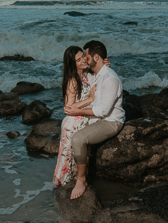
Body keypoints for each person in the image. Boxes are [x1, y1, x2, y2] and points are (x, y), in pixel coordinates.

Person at [63, 40, 125, 199]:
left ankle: (81, 180)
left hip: (110, 121)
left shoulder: (110, 78)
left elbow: (103, 111)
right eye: (82, 57)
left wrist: (78, 109)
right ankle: (70, 171)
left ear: (96, 57)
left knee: (78, 139)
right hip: (96, 118)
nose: (85, 59)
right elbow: (80, 79)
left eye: (86, 57)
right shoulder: (95, 74)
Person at [52, 46, 98, 186]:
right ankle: (62, 186)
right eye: (78, 60)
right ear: (73, 64)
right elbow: (68, 107)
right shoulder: (73, 80)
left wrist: (106, 64)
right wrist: (90, 99)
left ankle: (76, 181)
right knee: (69, 158)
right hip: (73, 124)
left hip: (82, 120)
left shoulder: (85, 73)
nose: (83, 60)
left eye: (83, 56)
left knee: (79, 156)